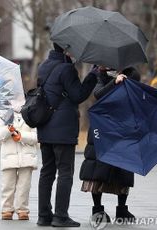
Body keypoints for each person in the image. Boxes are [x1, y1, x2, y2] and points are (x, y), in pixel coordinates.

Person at [36, 43, 98, 227]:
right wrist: (93, 76)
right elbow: (78, 95)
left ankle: (44, 215)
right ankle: (60, 216)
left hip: (45, 125)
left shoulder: (44, 65)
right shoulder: (66, 69)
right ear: (67, 49)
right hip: (63, 128)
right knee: (65, 172)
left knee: (47, 171)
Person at [80, 66, 141, 223]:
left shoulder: (130, 73)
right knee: (97, 170)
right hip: (102, 127)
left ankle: (122, 209)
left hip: (123, 126)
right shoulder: (99, 75)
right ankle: (98, 210)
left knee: (123, 168)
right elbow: (98, 94)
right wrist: (115, 82)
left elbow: (135, 93)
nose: (105, 65)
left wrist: (125, 79)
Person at [0, 108, 38, 221]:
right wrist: (8, 129)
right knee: (7, 185)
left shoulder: (30, 115)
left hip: (27, 156)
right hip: (9, 156)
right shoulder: (4, 116)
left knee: (24, 186)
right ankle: (7, 209)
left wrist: (21, 136)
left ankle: (22, 209)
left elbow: (36, 136)